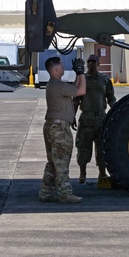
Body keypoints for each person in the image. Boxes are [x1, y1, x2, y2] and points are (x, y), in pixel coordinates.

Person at [39, 55, 87, 203]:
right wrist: (81, 73)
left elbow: (73, 88)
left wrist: (77, 75)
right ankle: (65, 194)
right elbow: (81, 91)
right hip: (59, 128)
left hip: (53, 126)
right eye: (61, 66)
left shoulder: (55, 85)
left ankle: (45, 192)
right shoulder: (57, 85)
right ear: (56, 69)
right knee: (61, 161)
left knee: (53, 162)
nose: (63, 68)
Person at [74, 54, 117, 184]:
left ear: (98, 64)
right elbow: (75, 100)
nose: (91, 64)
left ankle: (102, 173)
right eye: (89, 61)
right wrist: (72, 116)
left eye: (94, 61)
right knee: (83, 147)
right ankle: (82, 173)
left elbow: (111, 98)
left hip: (101, 118)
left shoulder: (104, 79)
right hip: (86, 118)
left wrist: (116, 113)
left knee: (102, 147)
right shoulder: (82, 79)